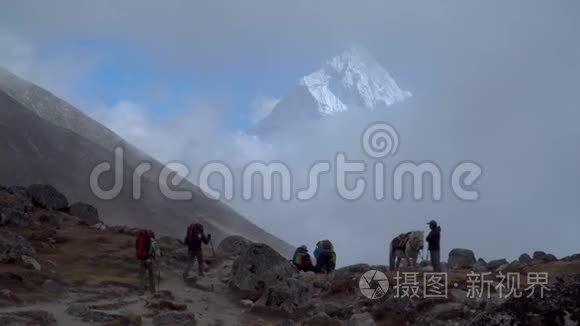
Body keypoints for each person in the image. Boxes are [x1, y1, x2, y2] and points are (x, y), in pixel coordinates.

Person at [136, 229, 156, 294]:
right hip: (149, 259)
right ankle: (152, 291)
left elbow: (136, 247)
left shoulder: (140, 238)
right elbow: (155, 250)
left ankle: (141, 292)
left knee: (142, 276)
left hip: (141, 259)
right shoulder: (152, 240)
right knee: (151, 275)